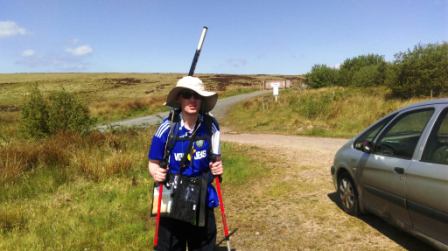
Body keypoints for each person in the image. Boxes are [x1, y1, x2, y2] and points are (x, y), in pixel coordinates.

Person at [148, 76, 224, 251]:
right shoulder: (167, 127)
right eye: (187, 95)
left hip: (201, 192)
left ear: (202, 100)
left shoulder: (211, 125)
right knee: (170, 246)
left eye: (197, 96)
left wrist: (218, 166)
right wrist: (155, 172)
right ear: (179, 99)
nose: (192, 100)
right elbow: (153, 163)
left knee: (203, 245)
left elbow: (217, 160)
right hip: (171, 191)